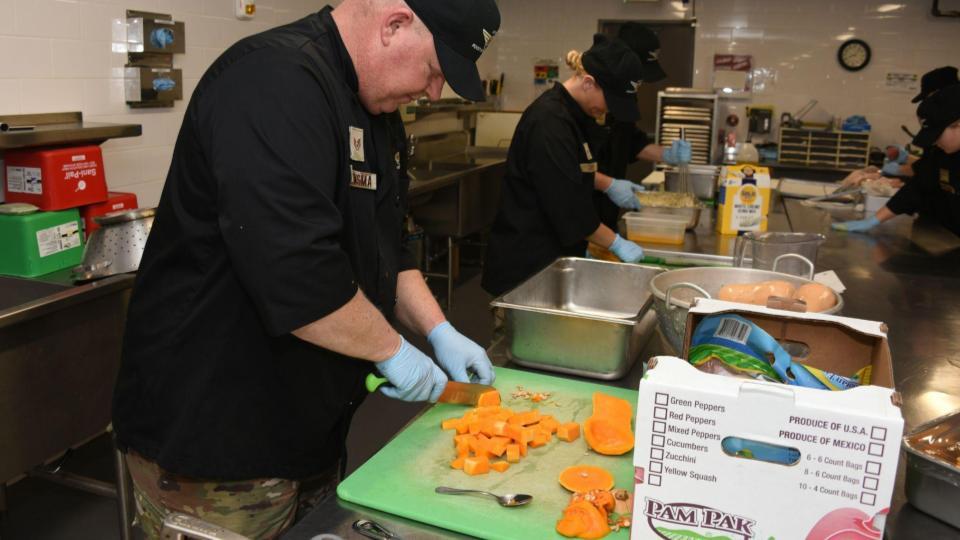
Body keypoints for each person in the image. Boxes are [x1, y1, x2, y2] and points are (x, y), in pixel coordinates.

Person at [111, 0, 500, 537]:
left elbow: (390, 244)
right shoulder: (274, 83)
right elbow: (296, 273)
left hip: (307, 422)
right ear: (394, 24)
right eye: (434, 71)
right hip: (218, 438)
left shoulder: (375, 112)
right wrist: (394, 351)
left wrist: (439, 330)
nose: (434, 92)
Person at [481, 37, 647, 297]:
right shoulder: (550, 122)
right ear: (589, 83)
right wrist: (615, 243)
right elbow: (568, 206)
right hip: (527, 269)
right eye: (611, 102)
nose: (608, 111)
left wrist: (607, 184)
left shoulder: (574, 115)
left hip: (552, 260)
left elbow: (570, 172)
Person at [590, 23, 692, 229]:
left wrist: (667, 154)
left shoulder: (626, 95)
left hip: (608, 209)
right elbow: (568, 168)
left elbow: (630, 140)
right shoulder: (593, 101)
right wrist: (608, 185)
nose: (640, 81)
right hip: (584, 208)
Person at [833, 83, 960, 237]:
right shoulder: (942, 154)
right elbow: (917, 188)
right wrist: (873, 221)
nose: (934, 142)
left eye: (937, 135)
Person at [842, 66, 959, 186]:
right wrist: (904, 158)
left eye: (927, 98)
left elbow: (933, 171)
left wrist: (890, 172)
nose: (926, 104)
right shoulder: (944, 134)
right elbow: (930, 163)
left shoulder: (948, 133)